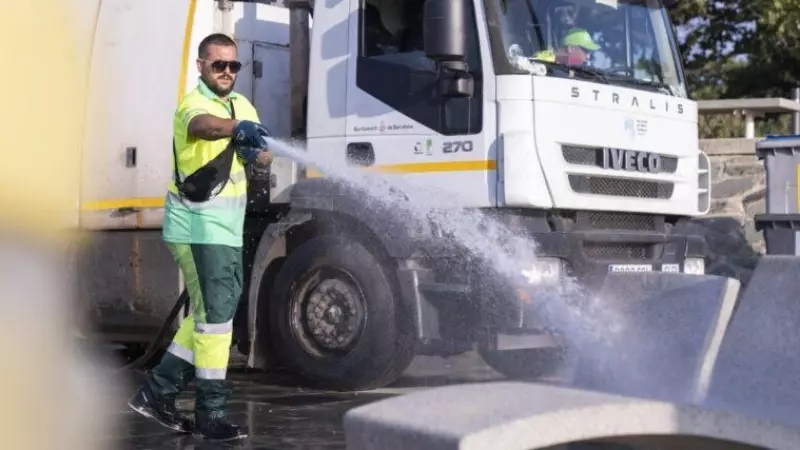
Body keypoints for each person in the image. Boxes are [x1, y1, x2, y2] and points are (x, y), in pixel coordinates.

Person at [127, 32, 273, 441]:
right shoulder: (194, 105)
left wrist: (258, 149)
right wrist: (234, 128)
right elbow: (204, 128)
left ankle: (157, 392)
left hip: (225, 230)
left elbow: (262, 150)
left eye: (233, 65)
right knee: (215, 323)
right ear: (201, 66)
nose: (227, 72)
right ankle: (211, 411)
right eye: (218, 65)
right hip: (197, 227)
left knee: (212, 316)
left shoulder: (242, 104)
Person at [533, 27, 600, 66]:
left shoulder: (571, 65)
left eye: (590, 52)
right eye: (586, 51)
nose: (588, 56)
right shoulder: (543, 60)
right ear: (570, 48)